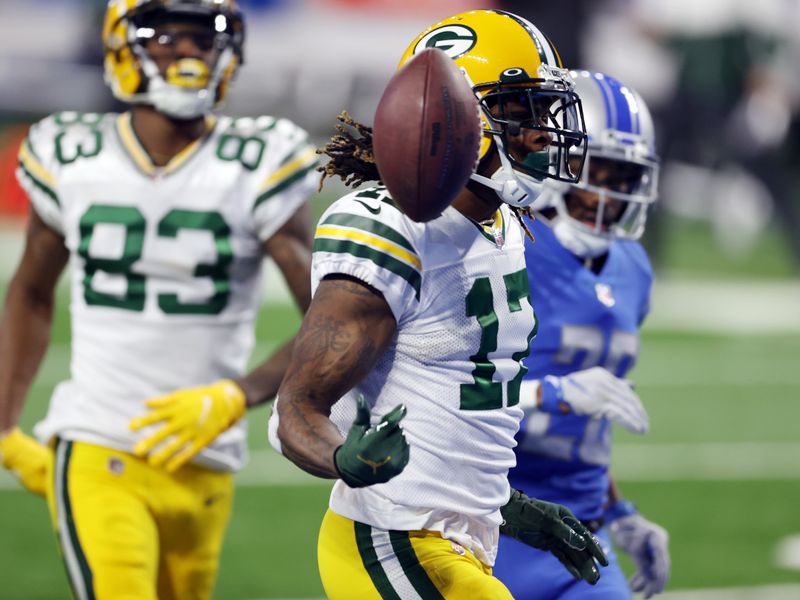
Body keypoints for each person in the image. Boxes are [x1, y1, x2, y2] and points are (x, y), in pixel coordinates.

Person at [268, 10, 608, 599]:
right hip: (391, 537)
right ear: (456, 119)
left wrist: (508, 505)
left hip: (452, 540)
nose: (540, 133)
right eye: (520, 112)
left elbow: (454, 404)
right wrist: (348, 459)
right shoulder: (392, 229)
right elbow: (294, 412)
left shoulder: (502, 223)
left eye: (543, 113)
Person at [0, 1, 318, 598]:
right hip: (96, 442)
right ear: (122, 47)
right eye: (166, 34)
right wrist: (3, 425)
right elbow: (33, 291)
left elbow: (329, 318)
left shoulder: (260, 157)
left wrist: (237, 394)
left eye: (205, 38)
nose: (189, 51)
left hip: (206, 458)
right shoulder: (70, 151)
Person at [492, 71, 671, 599]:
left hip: (584, 535)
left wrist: (621, 512)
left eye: (625, 179)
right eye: (599, 171)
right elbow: (440, 392)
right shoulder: (503, 247)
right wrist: (552, 393)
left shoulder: (633, 268)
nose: (608, 195)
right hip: (491, 526)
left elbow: (587, 432)